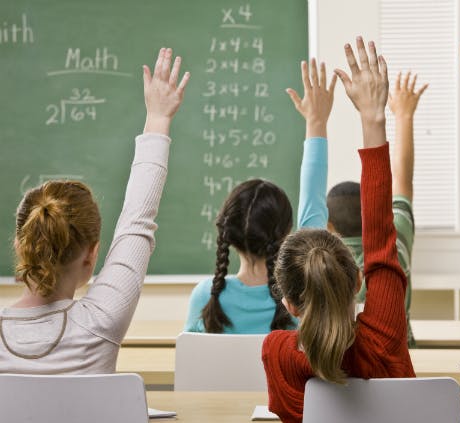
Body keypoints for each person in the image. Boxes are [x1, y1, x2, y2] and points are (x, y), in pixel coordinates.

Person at [0, 47, 190, 373]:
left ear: (20, 245)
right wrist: (158, 118)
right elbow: (137, 220)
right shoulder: (100, 322)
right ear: (91, 255)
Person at [262, 38, 415, 423]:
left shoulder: (277, 353)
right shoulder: (383, 338)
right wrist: (373, 118)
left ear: (289, 304)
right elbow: (380, 239)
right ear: (359, 281)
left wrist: (318, 123)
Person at [297, 64, 427, 347]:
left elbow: (309, 209)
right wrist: (402, 115)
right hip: (398, 378)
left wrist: (315, 121)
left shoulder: (314, 269)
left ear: (327, 227)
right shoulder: (396, 250)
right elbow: (403, 181)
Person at [184, 179, 296, 333]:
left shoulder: (205, 296)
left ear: (229, 235)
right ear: (286, 233)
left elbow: (189, 354)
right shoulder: (298, 303)